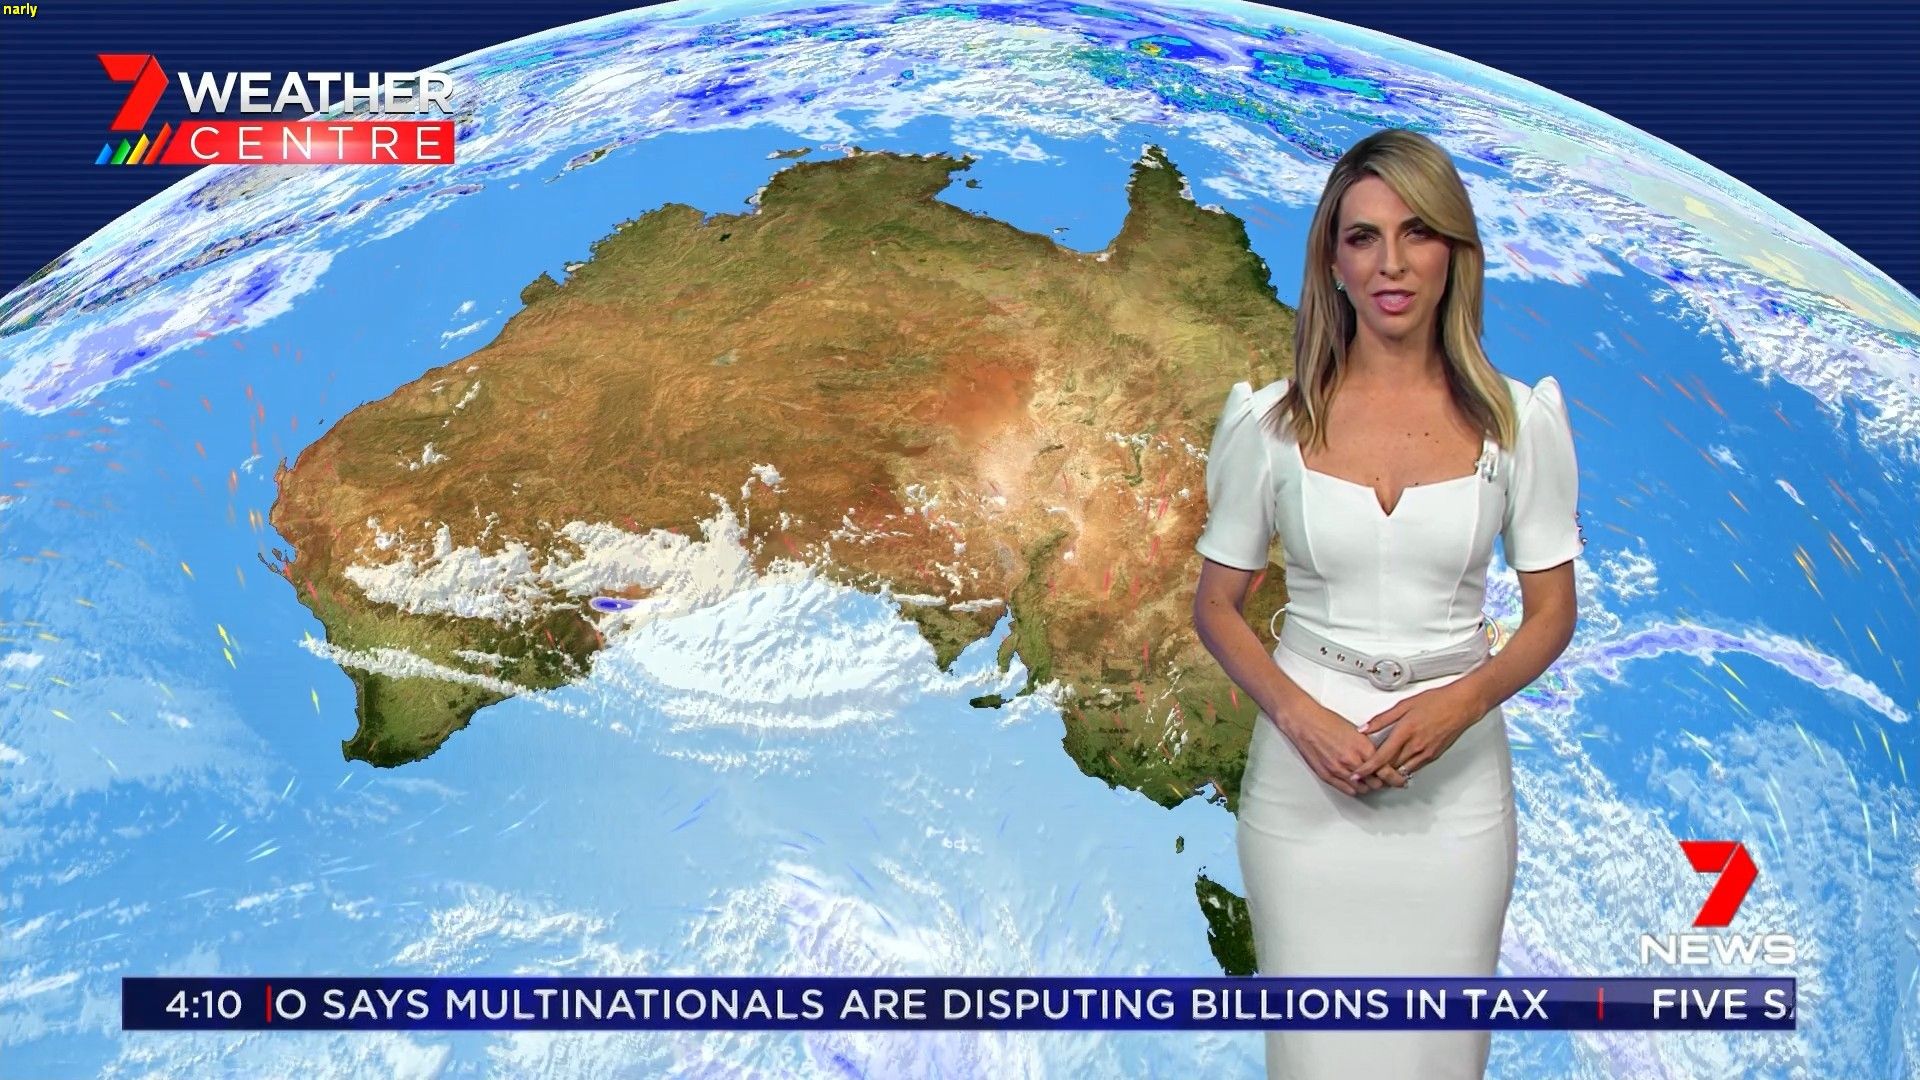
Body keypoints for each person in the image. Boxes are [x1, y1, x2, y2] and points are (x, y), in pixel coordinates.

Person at [1189, 128, 1582, 1078]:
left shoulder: (1520, 425)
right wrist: (1301, 720)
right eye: (1363, 237)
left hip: (1457, 800)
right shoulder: (1269, 424)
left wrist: (1461, 704)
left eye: (1418, 232)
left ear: (1455, 251)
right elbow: (1217, 606)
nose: (1392, 263)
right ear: (1333, 261)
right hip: (1303, 793)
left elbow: (1551, 615)